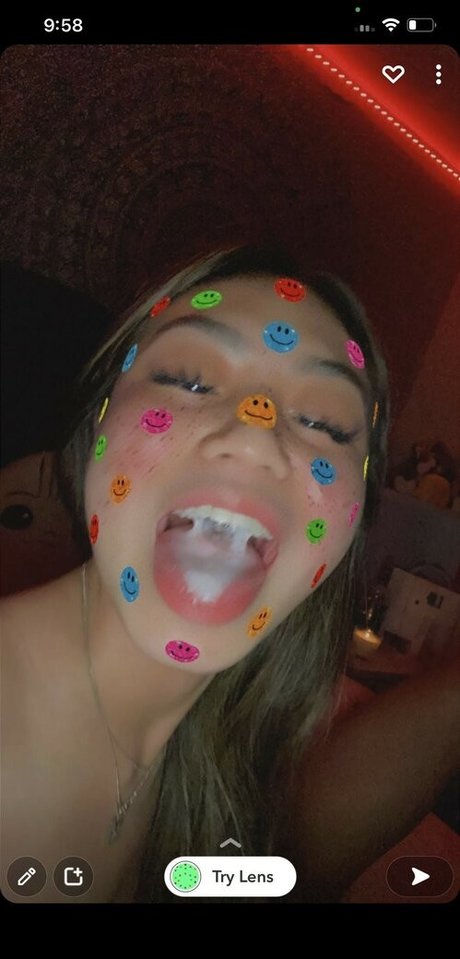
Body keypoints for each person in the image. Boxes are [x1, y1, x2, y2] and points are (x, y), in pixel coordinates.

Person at [1, 246, 459, 906]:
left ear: (354, 517)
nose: (254, 434)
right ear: (94, 424)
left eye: (325, 423)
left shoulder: (218, 739)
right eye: (187, 380)